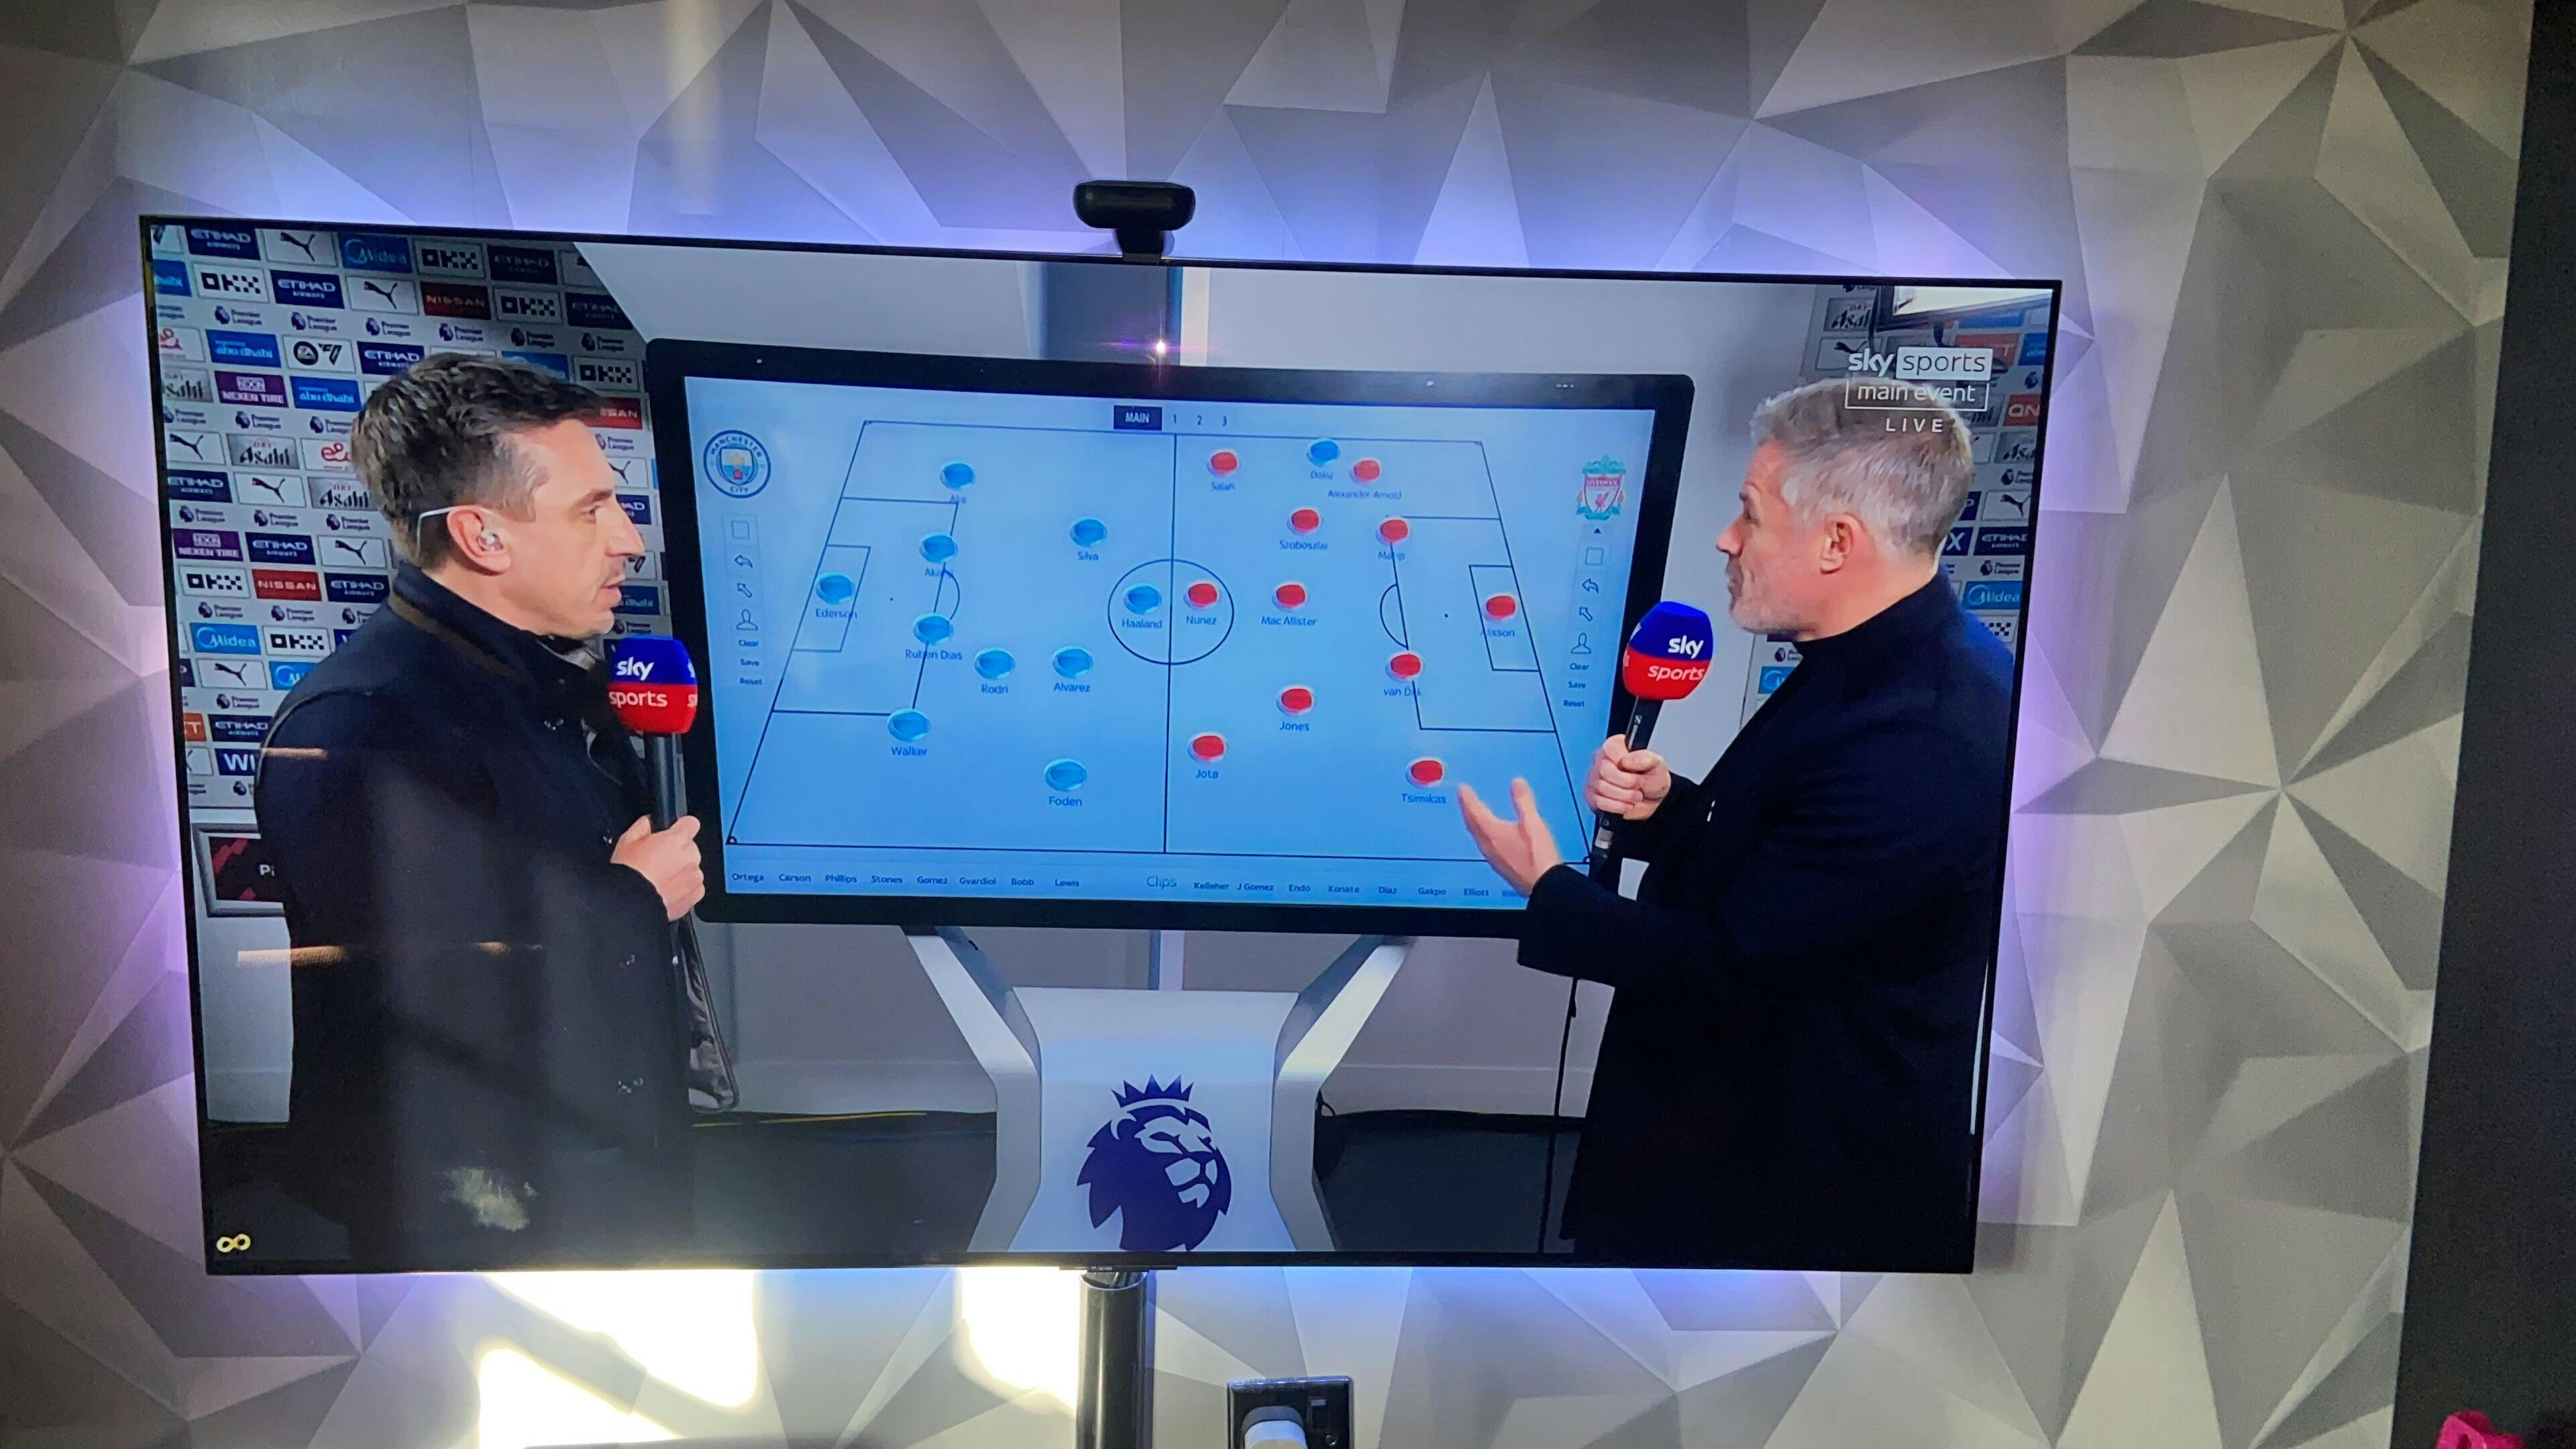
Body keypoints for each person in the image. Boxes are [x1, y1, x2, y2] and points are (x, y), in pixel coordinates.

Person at [1458, 376, 2015, 1268]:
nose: (1727, 538)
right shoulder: (1871, 663)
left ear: (1838, 542)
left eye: (1750, 513)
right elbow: (1798, 862)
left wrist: (1548, 887)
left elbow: (1726, 970)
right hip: (1721, 1149)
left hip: (1784, 1203)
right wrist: (1671, 809)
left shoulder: (1928, 729)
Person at [255, 355, 706, 1266]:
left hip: (612, 1191)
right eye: (592, 511)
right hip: (474, 1242)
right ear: (483, 536)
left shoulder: (551, 685)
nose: (628, 541)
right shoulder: (361, 722)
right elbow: (425, 991)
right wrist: (631, 899)